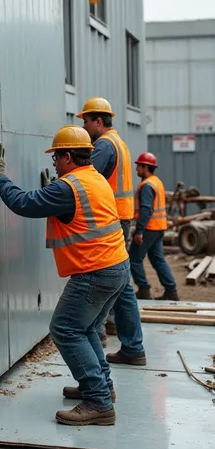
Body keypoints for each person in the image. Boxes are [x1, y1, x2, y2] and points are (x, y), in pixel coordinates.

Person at [0, 126, 130, 426]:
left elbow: (23, 203)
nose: (54, 162)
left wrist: (0, 175)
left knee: (65, 329)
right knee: (87, 328)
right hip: (116, 266)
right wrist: (54, 190)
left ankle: (98, 402)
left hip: (96, 271)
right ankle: (101, 387)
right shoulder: (94, 179)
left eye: (56, 157)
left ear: (68, 156)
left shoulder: (68, 188)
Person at [78, 97, 146, 367]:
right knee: (121, 283)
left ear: (98, 120)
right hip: (120, 216)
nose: (83, 126)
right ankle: (122, 340)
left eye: (85, 121)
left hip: (112, 219)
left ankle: (130, 345)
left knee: (119, 284)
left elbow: (85, 175)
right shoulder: (119, 142)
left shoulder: (104, 145)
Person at [130, 152, 179, 301]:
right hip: (159, 228)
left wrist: (139, 231)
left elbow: (146, 210)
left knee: (134, 258)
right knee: (158, 260)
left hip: (149, 228)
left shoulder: (146, 186)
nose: (137, 168)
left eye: (139, 166)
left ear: (146, 167)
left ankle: (144, 289)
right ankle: (171, 291)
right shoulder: (156, 181)